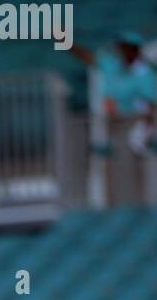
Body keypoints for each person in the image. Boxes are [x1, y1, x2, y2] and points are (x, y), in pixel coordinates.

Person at [63, 30, 157, 203]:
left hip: (135, 127)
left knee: (137, 183)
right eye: (121, 47)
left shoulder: (145, 74)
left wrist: (147, 130)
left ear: (135, 49)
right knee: (114, 182)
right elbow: (86, 56)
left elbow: (152, 105)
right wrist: (65, 41)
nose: (122, 51)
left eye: (126, 47)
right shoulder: (113, 65)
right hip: (112, 126)